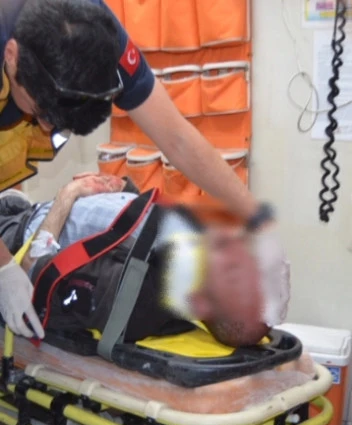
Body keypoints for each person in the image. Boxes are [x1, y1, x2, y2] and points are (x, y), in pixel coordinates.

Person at [0, 0, 288, 341]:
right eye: (39, 111)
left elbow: (179, 139)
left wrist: (258, 219)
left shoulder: (102, 42)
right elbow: (37, 271)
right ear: (12, 55)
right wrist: (4, 268)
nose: (46, 128)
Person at [0, 174, 268, 348]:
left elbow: (34, 275)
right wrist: (124, 190)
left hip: (14, 237)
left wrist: (68, 195)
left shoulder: (134, 299)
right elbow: (136, 229)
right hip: (26, 208)